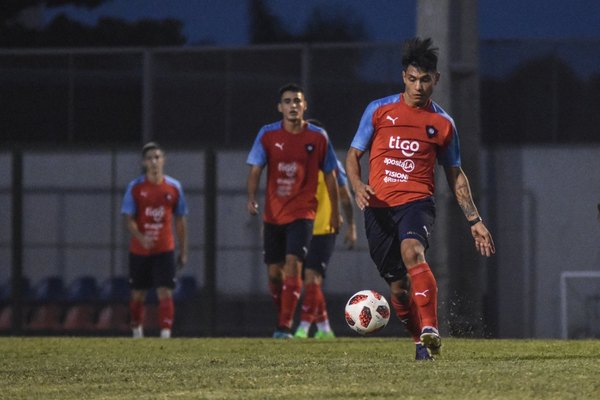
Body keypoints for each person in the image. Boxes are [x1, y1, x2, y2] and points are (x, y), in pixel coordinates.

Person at [345, 37, 495, 360]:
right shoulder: (379, 110)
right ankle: (420, 342)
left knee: (413, 251)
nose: (418, 86)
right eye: (412, 79)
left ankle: (431, 328)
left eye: (425, 80)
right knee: (399, 291)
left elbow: (455, 174)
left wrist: (475, 220)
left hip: (416, 203)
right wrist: (357, 185)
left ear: (436, 80)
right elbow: (353, 155)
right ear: (404, 77)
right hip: (378, 208)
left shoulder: (442, 124)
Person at [246, 83, 340, 339]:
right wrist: (252, 198)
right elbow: (255, 169)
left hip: (303, 214)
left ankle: (284, 326)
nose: (292, 106)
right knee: (275, 275)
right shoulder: (267, 135)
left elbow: (331, 177)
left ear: (304, 106)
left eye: (297, 101)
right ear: (280, 107)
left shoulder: (318, 137)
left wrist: (335, 213)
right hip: (274, 215)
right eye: (287, 101)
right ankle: (285, 317)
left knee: (293, 265)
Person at [293, 119, 357, 340]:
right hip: (299, 227)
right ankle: (324, 328)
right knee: (310, 282)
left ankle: (302, 327)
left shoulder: (331, 165)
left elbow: (346, 196)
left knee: (311, 278)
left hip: (324, 228)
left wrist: (351, 227)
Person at [121, 142, 188, 339]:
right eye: (150, 158)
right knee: (138, 293)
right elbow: (129, 219)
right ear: (144, 162)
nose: (154, 162)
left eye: (157, 157)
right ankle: (137, 331)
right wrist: (141, 238)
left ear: (163, 160)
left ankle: (166, 333)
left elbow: (180, 221)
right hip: (140, 250)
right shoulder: (135, 188)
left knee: (165, 290)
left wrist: (183, 251)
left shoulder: (174, 187)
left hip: (164, 248)